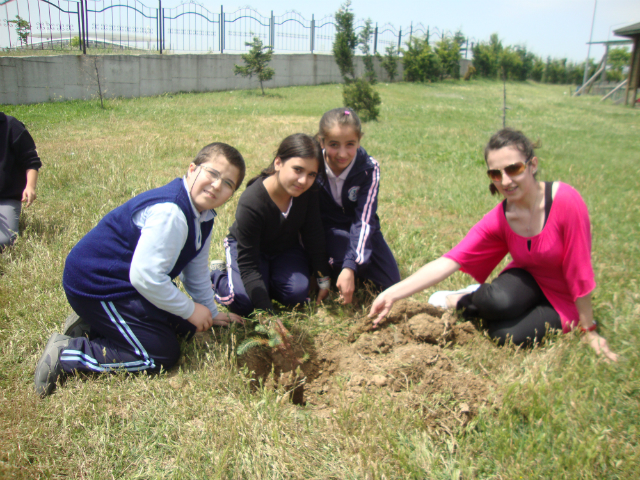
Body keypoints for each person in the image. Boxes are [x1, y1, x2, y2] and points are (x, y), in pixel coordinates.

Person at [369, 128, 617, 361]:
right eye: (496, 174)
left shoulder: (566, 201)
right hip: (528, 279)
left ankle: (478, 300)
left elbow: (579, 272)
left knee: (506, 336)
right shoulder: (501, 217)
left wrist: (590, 330)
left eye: (514, 169)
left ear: (532, 165)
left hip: (564, 297)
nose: (505, 181)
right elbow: (450, 260)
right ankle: (461, 298)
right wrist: (391, 293)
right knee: (496, 303)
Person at [34, 142, 246, 397]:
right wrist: (191, 309)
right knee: (159, 353)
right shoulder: (172, 213)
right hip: (97, 284)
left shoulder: (204, 216)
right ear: (192, 169)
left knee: (187, 328)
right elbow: (145, 277)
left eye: (228, 183)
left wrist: (210, 312)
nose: (216, 185)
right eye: (212, 173)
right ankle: (67, 354)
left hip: (126, 282)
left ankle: (94, 326)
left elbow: (196, 272)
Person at [211, 133, 331, 317]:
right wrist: (267, 315)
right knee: (245, 303)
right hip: (250, 252)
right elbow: (248, 265)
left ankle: (267, 284)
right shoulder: (252, 201)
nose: (303, 181)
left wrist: (323, 278)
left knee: (297, 294)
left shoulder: (308, 192)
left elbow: (313, 233)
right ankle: (216, 276)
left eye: (311, 174)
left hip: (285, 249)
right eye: (297, 169)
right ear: (278, 163)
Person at [315, 107, 401, 304]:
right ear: (322, 142)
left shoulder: (368, 168)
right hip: (328, 229)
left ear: (359, 140)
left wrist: (350, 264)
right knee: (340, 254)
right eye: (334, 144)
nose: (342, 153)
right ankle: (337, 267)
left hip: (360, 227)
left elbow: (364, 218)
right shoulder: (314, 164)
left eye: (350, 144)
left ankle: (350, 268)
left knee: (391, 283)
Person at [0, 112, 41, 249]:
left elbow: (31, 161)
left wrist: (30, 186)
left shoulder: (11, 126)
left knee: (5, 241)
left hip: (5, 197)